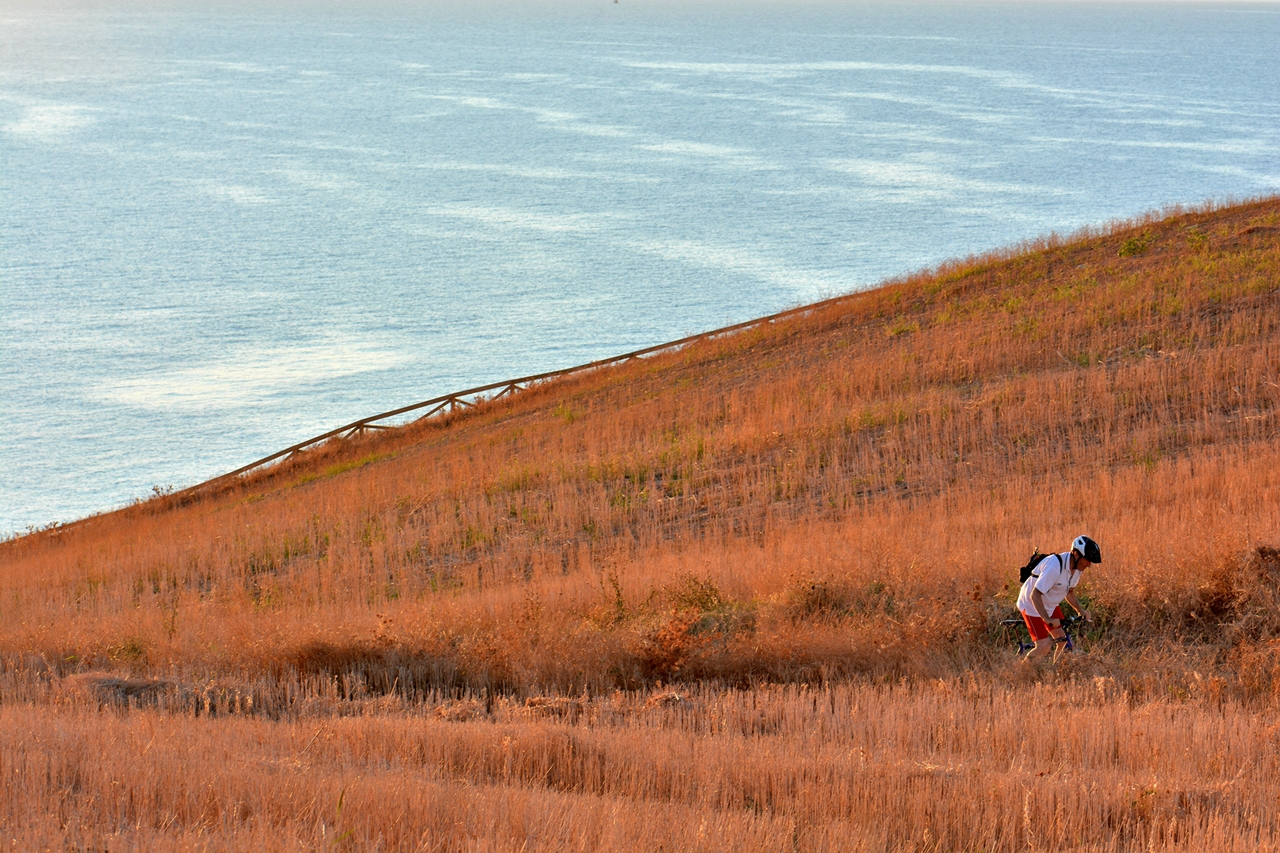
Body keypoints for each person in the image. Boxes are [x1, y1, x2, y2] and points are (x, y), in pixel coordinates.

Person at [1017, 535, 1100, 661]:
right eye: (1087, 560)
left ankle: (1055, 669)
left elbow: (1069, 592)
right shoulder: (1054, 566)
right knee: (1044, 646)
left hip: (1049, 603)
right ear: (1076, 554)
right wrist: (1047, 619)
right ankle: (1023, 669)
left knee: (1062, 641)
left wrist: (1080, 611)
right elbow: (1035, 595)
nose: (1089, 565)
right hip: (1031, 604)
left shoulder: (1077, 569)